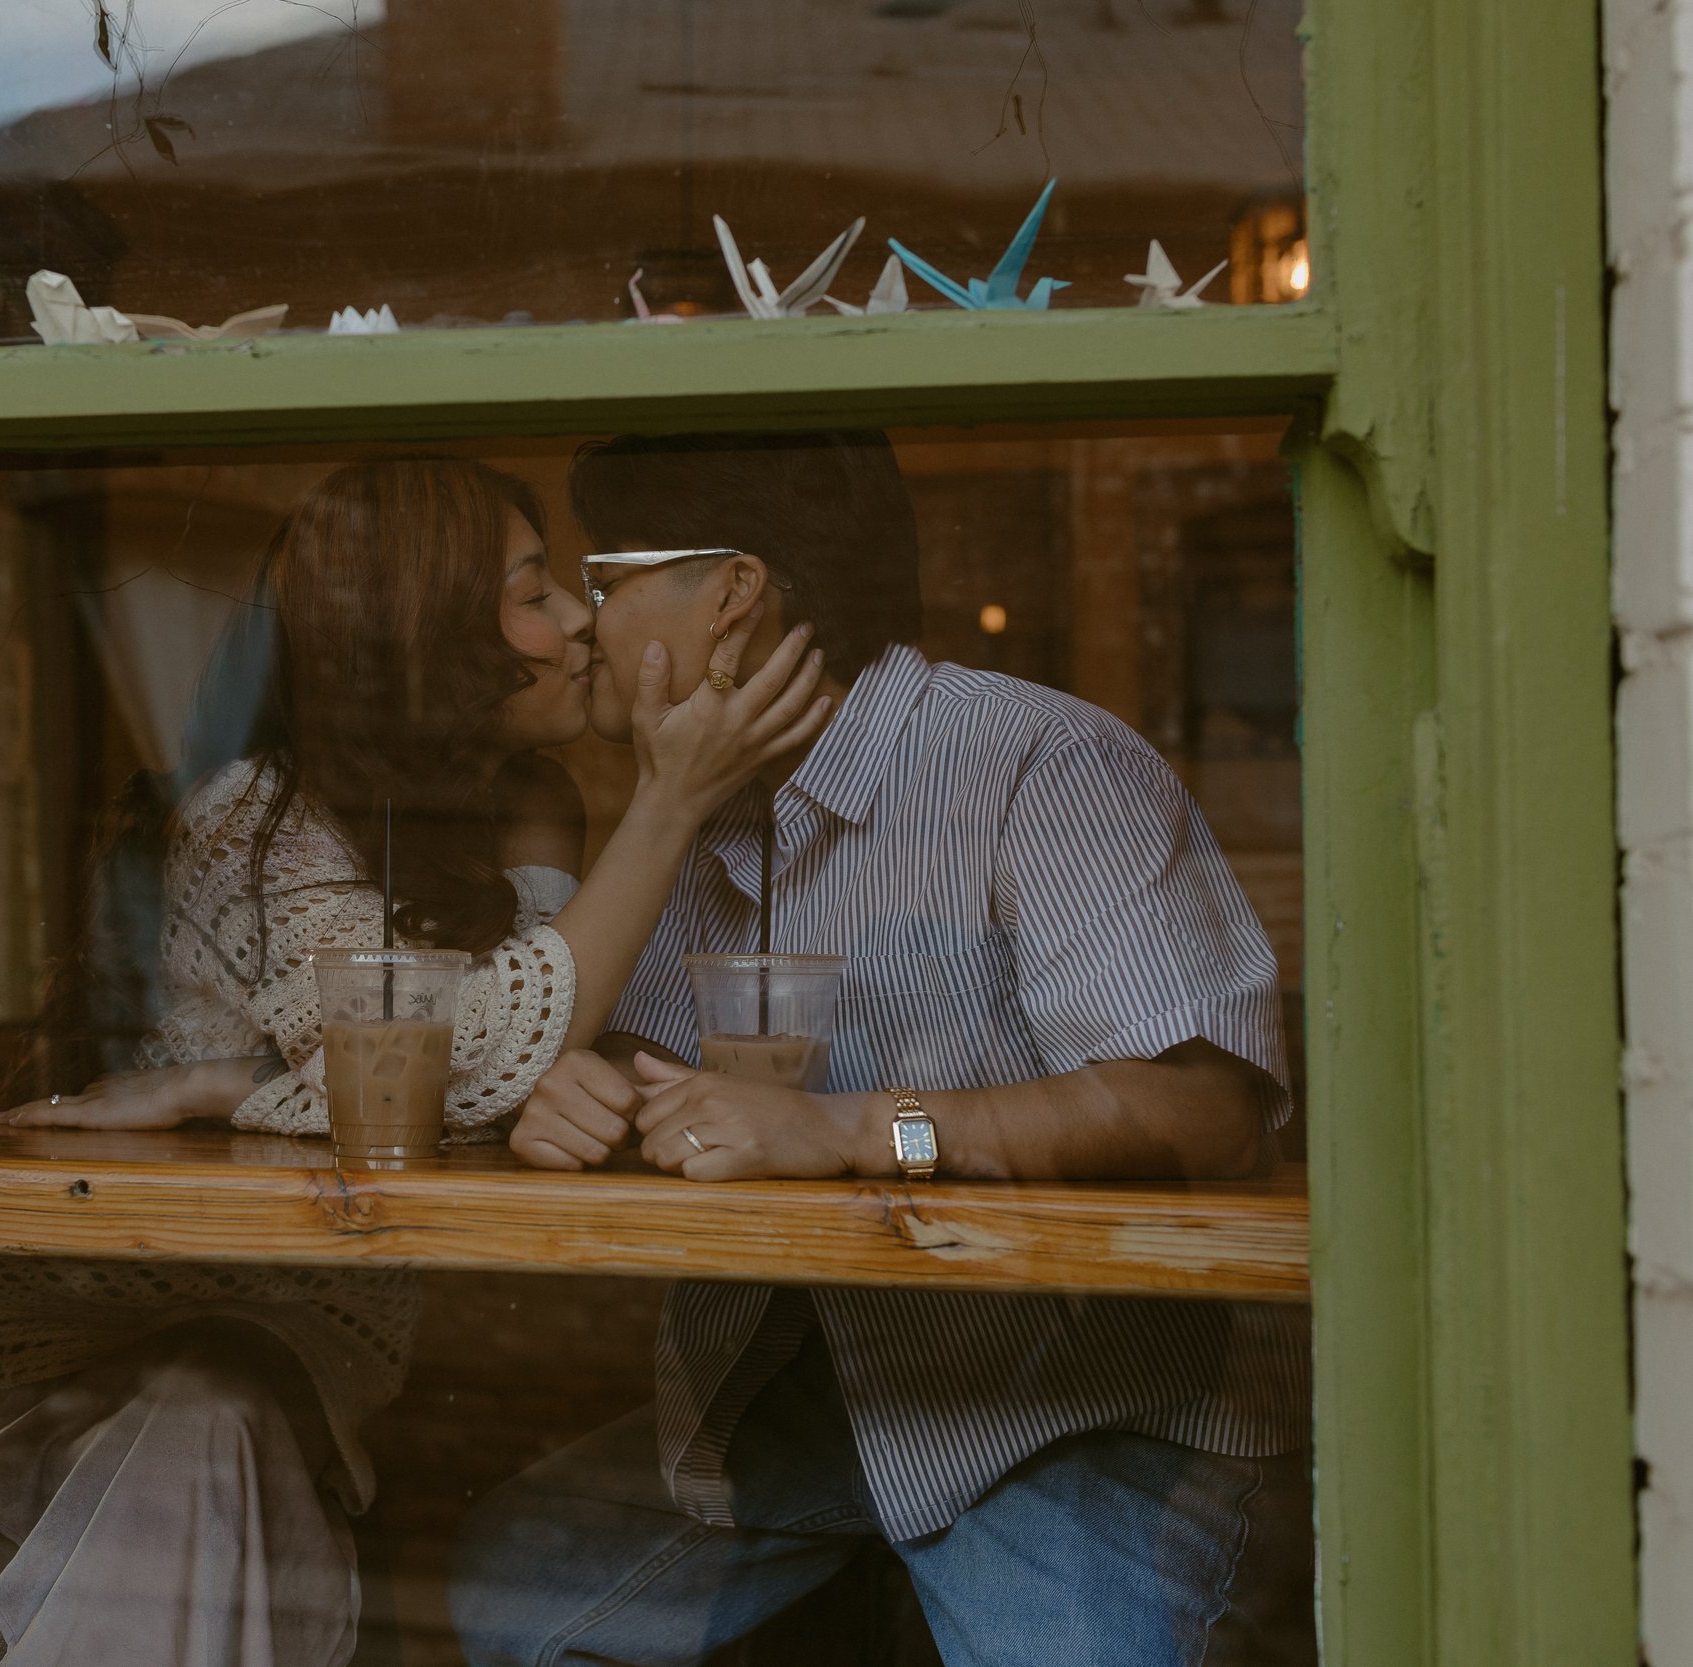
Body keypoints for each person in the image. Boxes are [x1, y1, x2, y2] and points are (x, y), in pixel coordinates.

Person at [0, 458, 831, 1667]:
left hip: (272, 1347)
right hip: (75, 1348)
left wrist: (233, 1091)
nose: (580, 619)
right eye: (533, 591)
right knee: (204, 1425)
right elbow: (470, 1071)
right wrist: (668, 803)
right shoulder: (254, 812)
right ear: (422, 631)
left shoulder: (522, 805)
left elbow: (508, 1059)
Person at [451, 431, 1313, 1667]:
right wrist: (576, 1096)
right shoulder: (689, 799)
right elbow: (640, 1066)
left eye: (604, 580)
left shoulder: (1033, 758)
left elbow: (1209, 1109)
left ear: (735, 592)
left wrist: (860, 1126)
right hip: (811, 1401)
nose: (582, 624)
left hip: (1079, 1412)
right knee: (506, 1590)